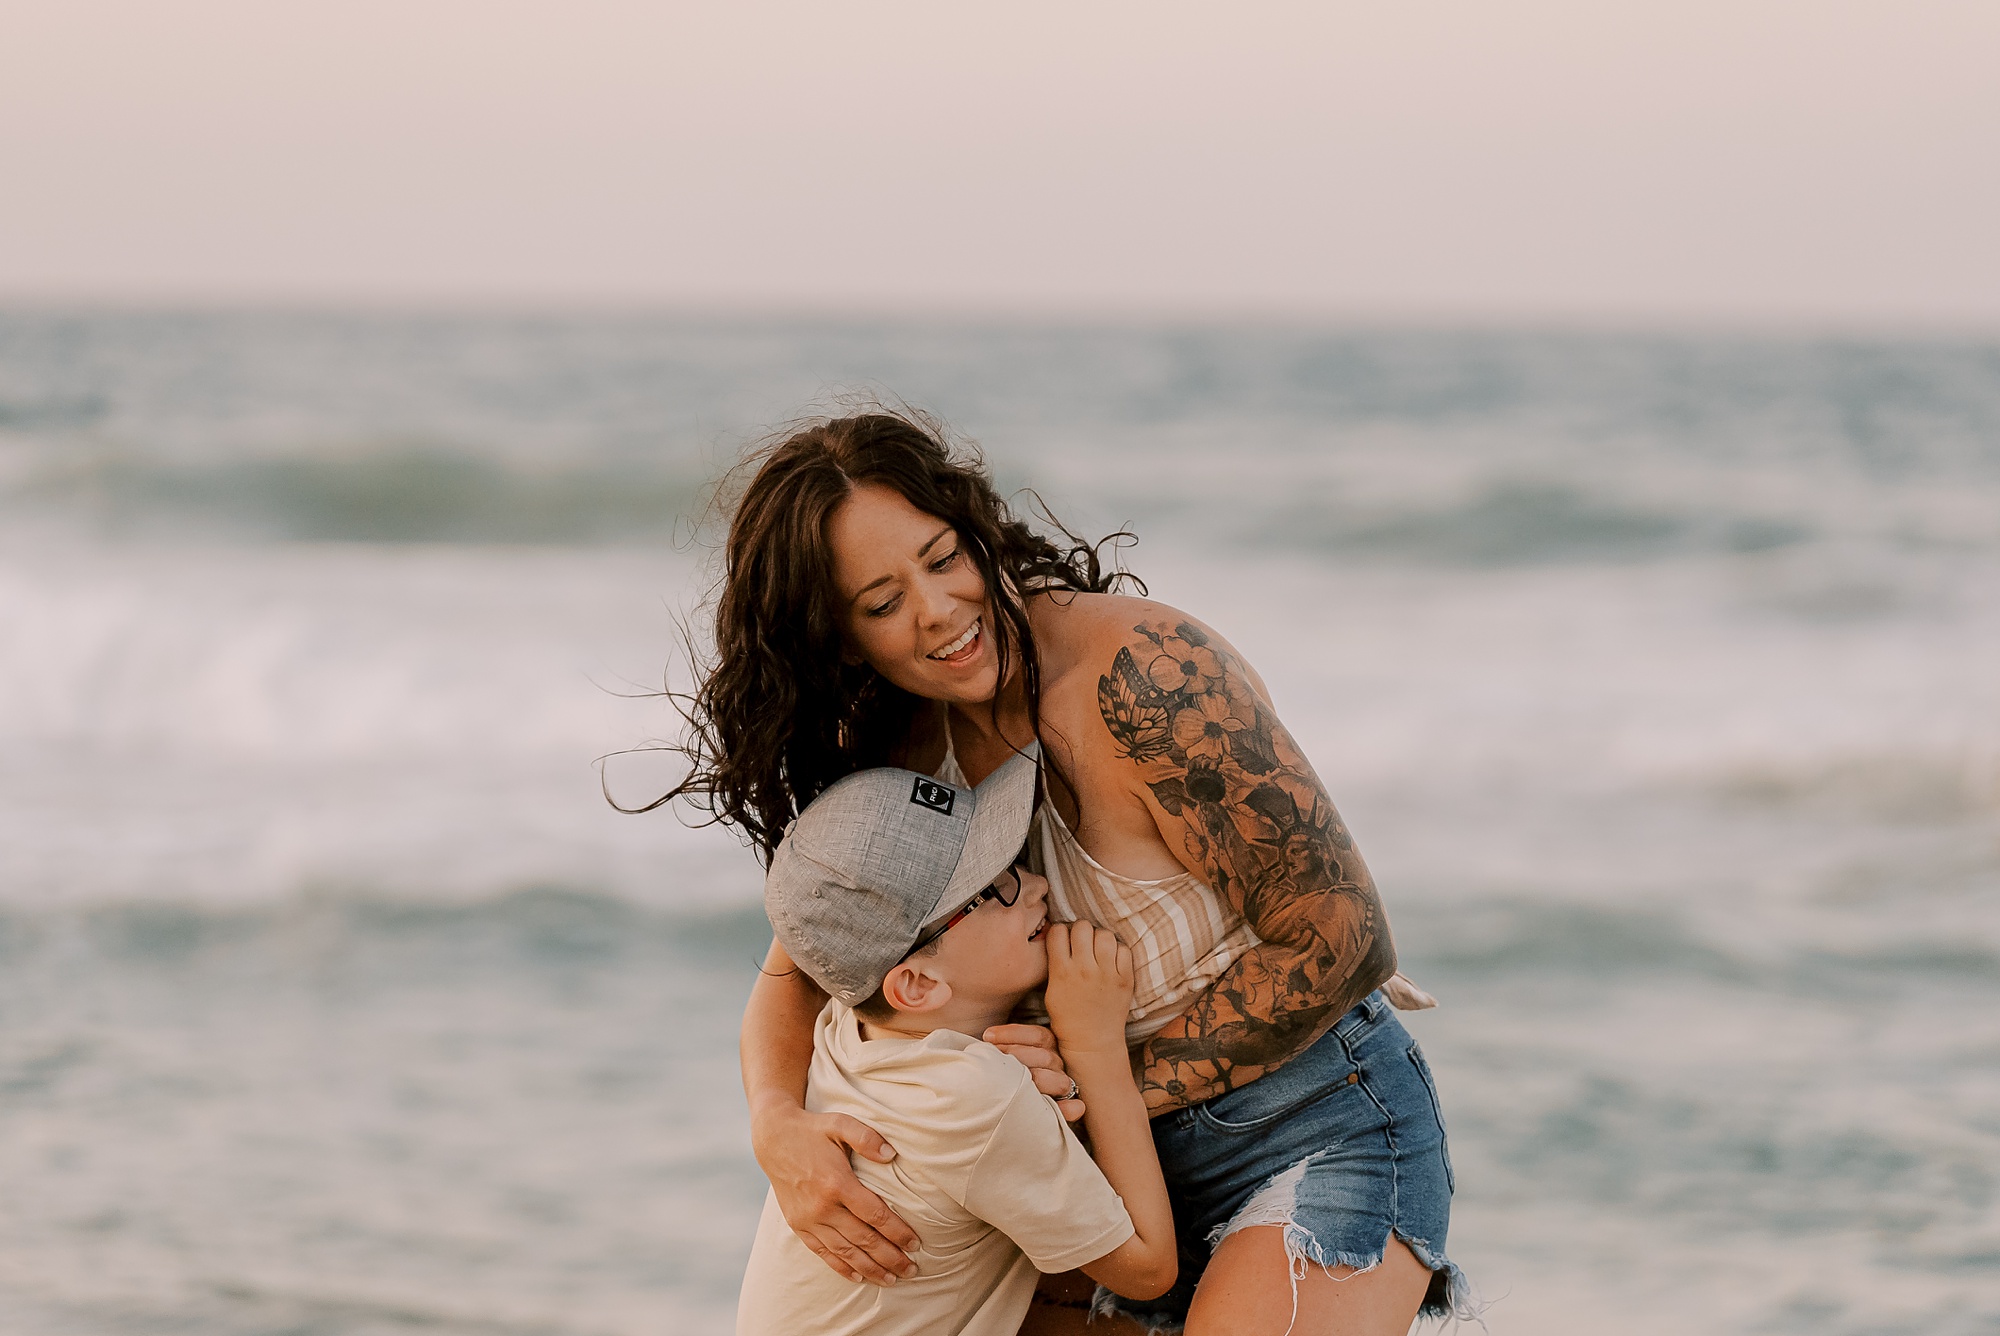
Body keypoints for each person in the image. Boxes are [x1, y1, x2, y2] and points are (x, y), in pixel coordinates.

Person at [658, 408, 1472, 1335]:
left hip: (1311, 1126)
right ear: (842, 640)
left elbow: (1343, 942)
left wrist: (1090, 1076)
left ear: (974, 527)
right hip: (1089, 1177)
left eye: (942, 558)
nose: (936, 611)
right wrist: (776, 1125)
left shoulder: (1145, 678)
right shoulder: (895, 745)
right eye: (882, 604)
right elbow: (804, 966)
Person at [735, 748, 1177, 1336]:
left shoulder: (846, 1026)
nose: (1038, 884)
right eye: (996, 887)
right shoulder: (976, 1099)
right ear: (915, 984)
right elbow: (1147, 1269)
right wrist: (1094, 1043)